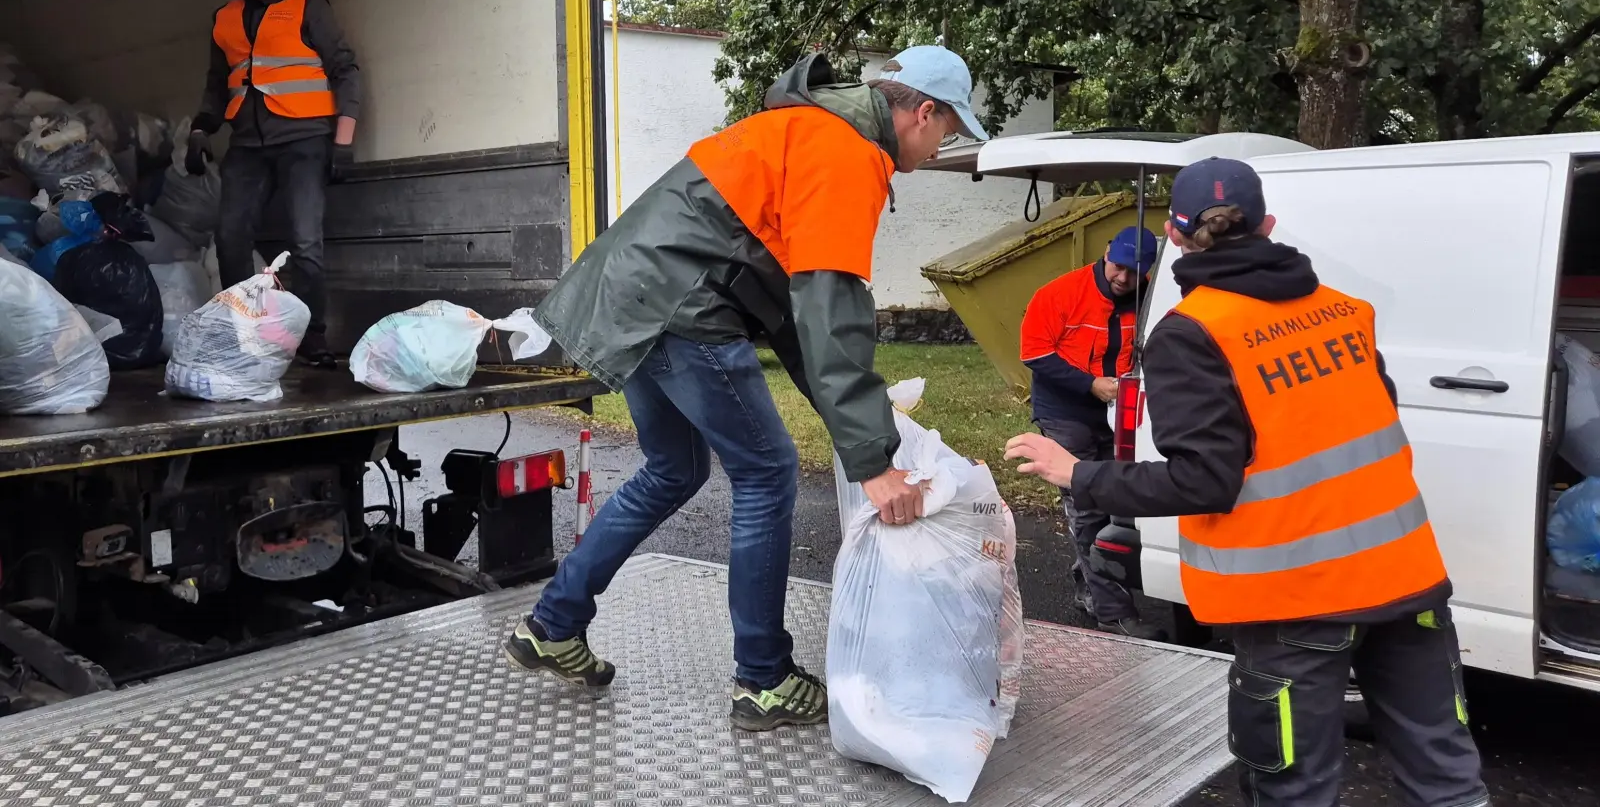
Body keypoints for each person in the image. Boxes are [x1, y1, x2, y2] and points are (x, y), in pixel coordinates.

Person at [502, 46, 989, 731]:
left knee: (676, 467)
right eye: (949, 131)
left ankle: (553, 623)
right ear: (923, 112)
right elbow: (830, 306)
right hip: (683, 305)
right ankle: (762, 678)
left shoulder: (807, 129)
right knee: (767, 471)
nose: (943, 148)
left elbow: (795, 318)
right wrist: (874, 466)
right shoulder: (847, 150)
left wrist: (866, 433)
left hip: (638, 298)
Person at [1003, 158, 1488, 807]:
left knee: (1295, 789)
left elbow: (1203, 481)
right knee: (1445, 776)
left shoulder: (1192, 333)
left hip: (1295, 601)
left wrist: (1079, 474)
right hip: (1407, 582)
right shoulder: (1347, 313)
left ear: (1173, 237)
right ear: (1269, 225)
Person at [189, 0, 360, 367]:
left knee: (305, 242)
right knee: (229, 237)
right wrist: (200, 130)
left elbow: (346, 70)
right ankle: (241, 331)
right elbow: (216, 84)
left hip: (304, 141)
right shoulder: (223, 18)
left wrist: (343, 141)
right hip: (247, 145)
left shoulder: (308, 6)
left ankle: (314, 338)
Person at [1018, 224, 1164, 640]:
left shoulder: (1148, 296)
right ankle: (1112, 612)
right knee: (1087, 507)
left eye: (1135, 273)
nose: (1123, 279)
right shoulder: (1060, 294)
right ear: (1105, 254)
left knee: (1116, 502)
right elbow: (1034, 352)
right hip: (1067, 413)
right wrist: (1089, 384)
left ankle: (1090, 587)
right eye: (1118, 267)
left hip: (1120, 413)